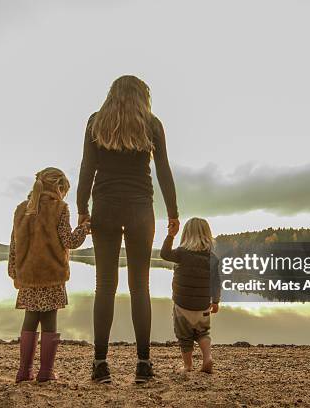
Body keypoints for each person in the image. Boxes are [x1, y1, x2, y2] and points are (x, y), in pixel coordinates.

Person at [77, 75, 179, 383]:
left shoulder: (96, 122)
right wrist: (173, 212)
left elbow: (87, 168)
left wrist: (82, 209)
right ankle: (143, 364)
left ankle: (99, 364)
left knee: (104, 287)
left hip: (105, 208)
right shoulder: (152, 124)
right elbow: (163, 170)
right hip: (140, 210)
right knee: (140, 287)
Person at [8, 167, 90, 383]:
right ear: (59, 187)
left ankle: (23, 372)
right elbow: (69, 241)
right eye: (65, 191)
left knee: (30, 319)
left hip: (28, 276)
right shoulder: (60, 208)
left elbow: (14, 244)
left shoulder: (21, 209)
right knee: (49, 321)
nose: (64, 196)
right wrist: (84, 228)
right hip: (51, 276)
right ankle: (46, 373)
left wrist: (14, 272)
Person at [160, 217, 221, 374]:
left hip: (182, 304)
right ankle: (207, 358)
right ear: (208, 235)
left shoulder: (181, 253)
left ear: (186, 234)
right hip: (203, 305)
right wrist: (216, 301)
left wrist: (170, 236)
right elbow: (216, 282)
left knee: (185, 337)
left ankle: (188, 366)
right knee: (203, 333)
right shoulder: (212, 258)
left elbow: (164, 254)